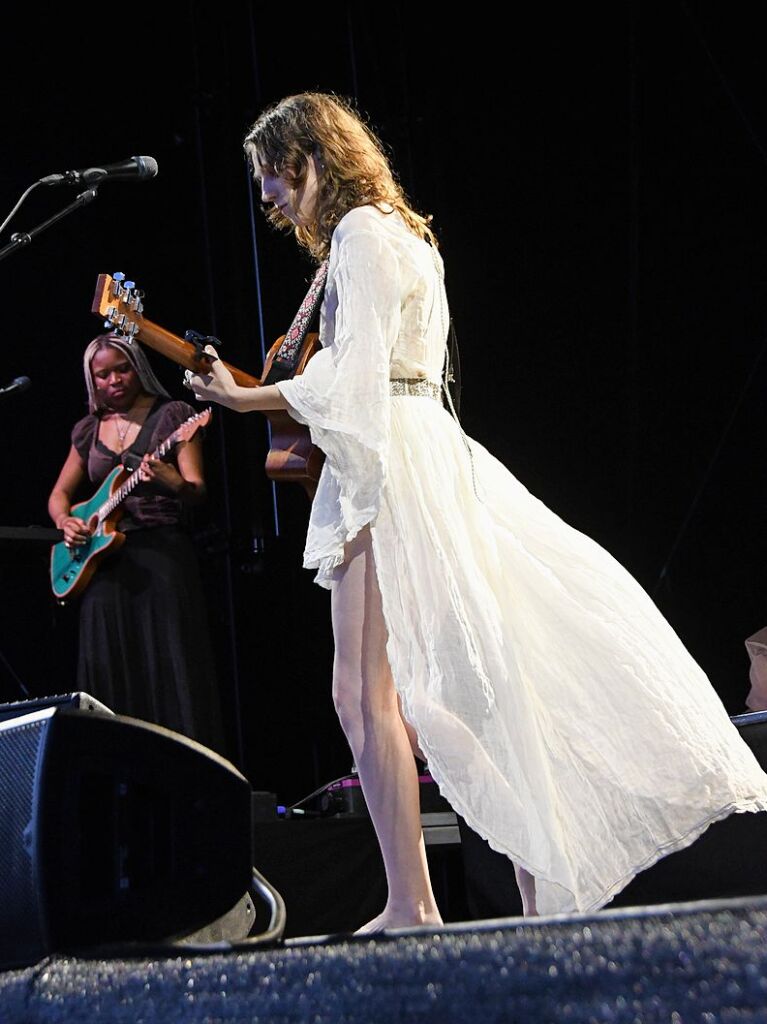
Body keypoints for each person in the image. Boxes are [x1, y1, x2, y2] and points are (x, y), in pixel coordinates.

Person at [186, 91, 767, 931]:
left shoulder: (354, 236)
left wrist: (241, 400)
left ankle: (411, 903)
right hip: (431, 453)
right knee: (481, 684)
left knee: (361, 691)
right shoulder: (408, 236)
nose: (270, 199)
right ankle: (531, 896)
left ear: (305, 160)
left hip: (391, 463)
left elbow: (355, 383)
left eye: (271, 178)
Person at [49, 333, 225, 755]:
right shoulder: (88, 430)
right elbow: (58, 496)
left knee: (169, 665)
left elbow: (197, 490)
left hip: (161, 557)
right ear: (92, 381)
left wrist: (172, 482)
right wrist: (65, 521)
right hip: (103, 569)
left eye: (122, 369)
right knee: (109, 669)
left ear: (138, 368)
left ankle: (186, 768)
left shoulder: (175, 417)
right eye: (103, 374)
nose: (114, 381)